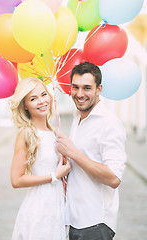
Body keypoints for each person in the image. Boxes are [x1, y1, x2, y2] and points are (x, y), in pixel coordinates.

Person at [56, 62, 127, 240]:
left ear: (99, 89)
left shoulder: (109, 123)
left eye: (87, 88)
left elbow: (113, 178)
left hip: (95, 224)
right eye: (75, 87)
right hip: (74, 219)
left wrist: (73, 153)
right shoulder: (78, 116)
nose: (80, 94)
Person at [9, 76, 71, 240]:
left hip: (57, 206)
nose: (42, 101)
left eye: (43, 95)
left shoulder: (53, 133)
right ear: (26, 106)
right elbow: (16, 180)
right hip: (40, 208)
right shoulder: (27, 134)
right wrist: (54, 176)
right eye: (33, 98)